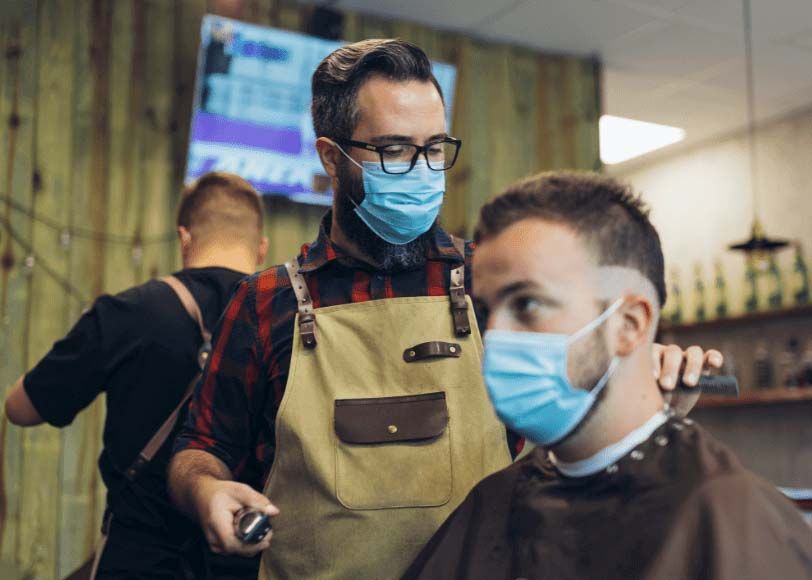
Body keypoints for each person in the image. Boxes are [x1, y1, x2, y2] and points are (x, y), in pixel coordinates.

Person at [168, 40, 723, 580]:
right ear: (331, 160)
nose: (421, 171)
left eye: (433, 148)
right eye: (393, 150)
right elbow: (201, 447)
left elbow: (586, 425)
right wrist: (206, 489)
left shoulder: (496, 285)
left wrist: (658, 404)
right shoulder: (266, 304)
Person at [402, 172, 812, 580]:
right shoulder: (492, 502)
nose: (494, 337)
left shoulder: (729, 517)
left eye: (527, 304)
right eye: (488, 311)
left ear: (629, 325)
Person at [4, 171, 269, 579]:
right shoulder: (282, 328)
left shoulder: (130, 311)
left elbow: (21, 409)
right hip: (243, 565)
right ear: (261, 249)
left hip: (136, 559)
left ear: (184, 239)